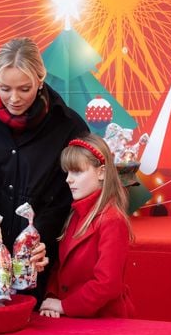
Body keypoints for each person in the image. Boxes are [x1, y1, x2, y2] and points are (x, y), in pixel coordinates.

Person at [0, 37, 89, 300]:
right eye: (4, 88)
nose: (14, 98)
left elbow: (72, 200)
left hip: (40, 264)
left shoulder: (67, 127)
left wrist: (40, 238)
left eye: (24, 89)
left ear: (41, 80)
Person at [39, 133, 135, 318]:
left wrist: (64, 306)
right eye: (68, 172)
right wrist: (52, 297)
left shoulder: (112, 220)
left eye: (77, 172)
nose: (68, 179)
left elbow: (107, 284)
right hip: (75, 318)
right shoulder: (76, 214)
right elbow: (60, 266)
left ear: (101, 172)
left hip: (103, 321)